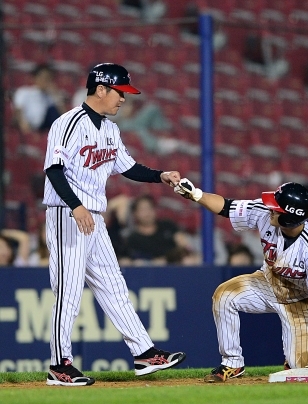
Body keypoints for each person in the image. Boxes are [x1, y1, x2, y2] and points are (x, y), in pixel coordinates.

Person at [42, 63, 186, 386]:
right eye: (120, 92)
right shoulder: (68, 123)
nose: (124, 99)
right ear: (101, 89)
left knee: (113, 285)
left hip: (93, 217)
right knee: (68, 291)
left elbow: (128, 167)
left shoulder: (110, 129)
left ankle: (143, 353)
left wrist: (159, 176)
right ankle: (58, 365)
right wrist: (76, 205)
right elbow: (53, 170)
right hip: (68, 214)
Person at [173, 180, 308, 382]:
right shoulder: (265, 211)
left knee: (301, 369)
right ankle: (232, 363)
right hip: (267, 282)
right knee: (224, 295)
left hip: (299, 301)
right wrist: (197, 195)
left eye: (277, 208)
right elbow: (227, 207)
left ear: (290, 217)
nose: (270, 208)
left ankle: (297, 359)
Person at [122, 194, 191, 266]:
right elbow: (130, 261)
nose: (147, 213)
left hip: (174, 268)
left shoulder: (167, 226)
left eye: (149, 208)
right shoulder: (133, 239)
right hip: (149, 272)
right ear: (135, 213)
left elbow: (184, 244)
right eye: (142, 209)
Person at [13, 63, 65, 133]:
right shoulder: (24, 92)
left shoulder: (50, 96)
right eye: (43, 77)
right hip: (29, 126)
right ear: (35, 78)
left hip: (45, 127)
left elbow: (64, 114)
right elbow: (18, 111)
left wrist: (55, 94)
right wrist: (25, 127)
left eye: (48, 78)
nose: (45, 81)